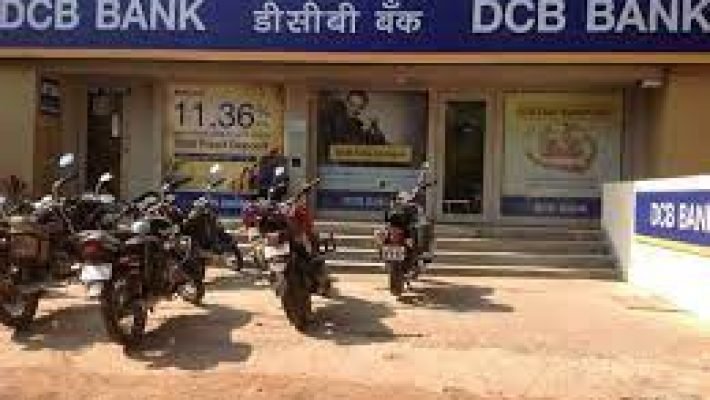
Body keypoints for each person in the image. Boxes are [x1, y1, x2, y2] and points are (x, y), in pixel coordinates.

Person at [325, 90, 390, 146]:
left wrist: (375, 127)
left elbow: (380, 143)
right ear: (346, 102)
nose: (354, 109)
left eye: (359, 107)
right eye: (352, 104)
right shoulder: (335, 118)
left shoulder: (357, 124)